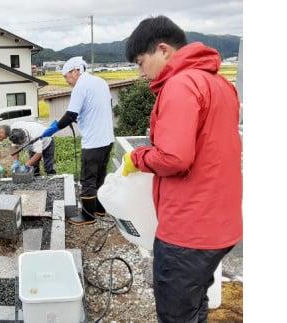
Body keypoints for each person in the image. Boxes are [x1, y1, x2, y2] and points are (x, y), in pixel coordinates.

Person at [123, 16, 242, 322]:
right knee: (195, 303)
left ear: (163, 49)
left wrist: (137, 158)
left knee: (176, 314)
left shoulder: (180, 84)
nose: (141, 72)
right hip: (220, 224)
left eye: (140, 61)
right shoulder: (219, 83)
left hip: (187, 231)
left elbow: (174, 158)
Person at [41, 56, 114, 225]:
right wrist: (82, 117)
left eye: (66, 76)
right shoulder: (100, 82)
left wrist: (54, 129)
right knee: (100, 177)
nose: (66, 80)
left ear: (75, 71)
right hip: (107, 139)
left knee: (88, 179)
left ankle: (87, 216)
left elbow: (71, 114)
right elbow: (98, 107)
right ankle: (99, 209)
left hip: (93, 142)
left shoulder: (80, 86)